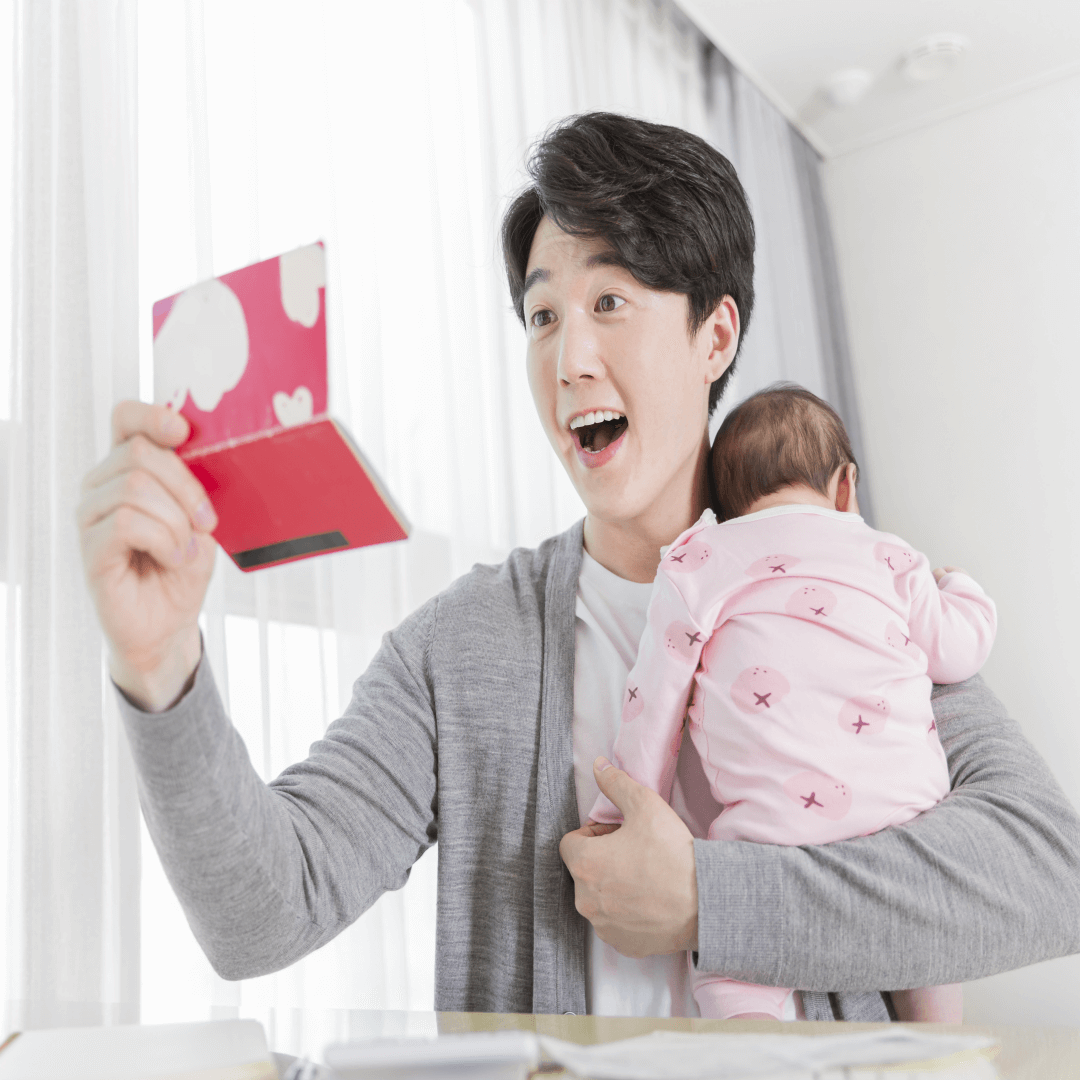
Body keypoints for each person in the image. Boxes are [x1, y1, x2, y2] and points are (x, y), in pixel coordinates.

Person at [77, 112, 1080, 1020]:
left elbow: (1046, 875)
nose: (568, 361)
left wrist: (709, 901)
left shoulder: (843, 584)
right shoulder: (459, 648)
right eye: (543, 316)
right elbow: (258, 916)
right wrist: (158, 666)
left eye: (609, 301)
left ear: (714, 335)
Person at [589, 384, 996, 1021]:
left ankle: (751, 1028)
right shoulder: (893, 558)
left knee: (734, 952)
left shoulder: (701, 561)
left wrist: (620, 811)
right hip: (906, 825)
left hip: (774, 831)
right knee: (933, 953)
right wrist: (959, 585)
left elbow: (654, 702)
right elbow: (959, 649)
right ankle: (939, 1040)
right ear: (846, 487)